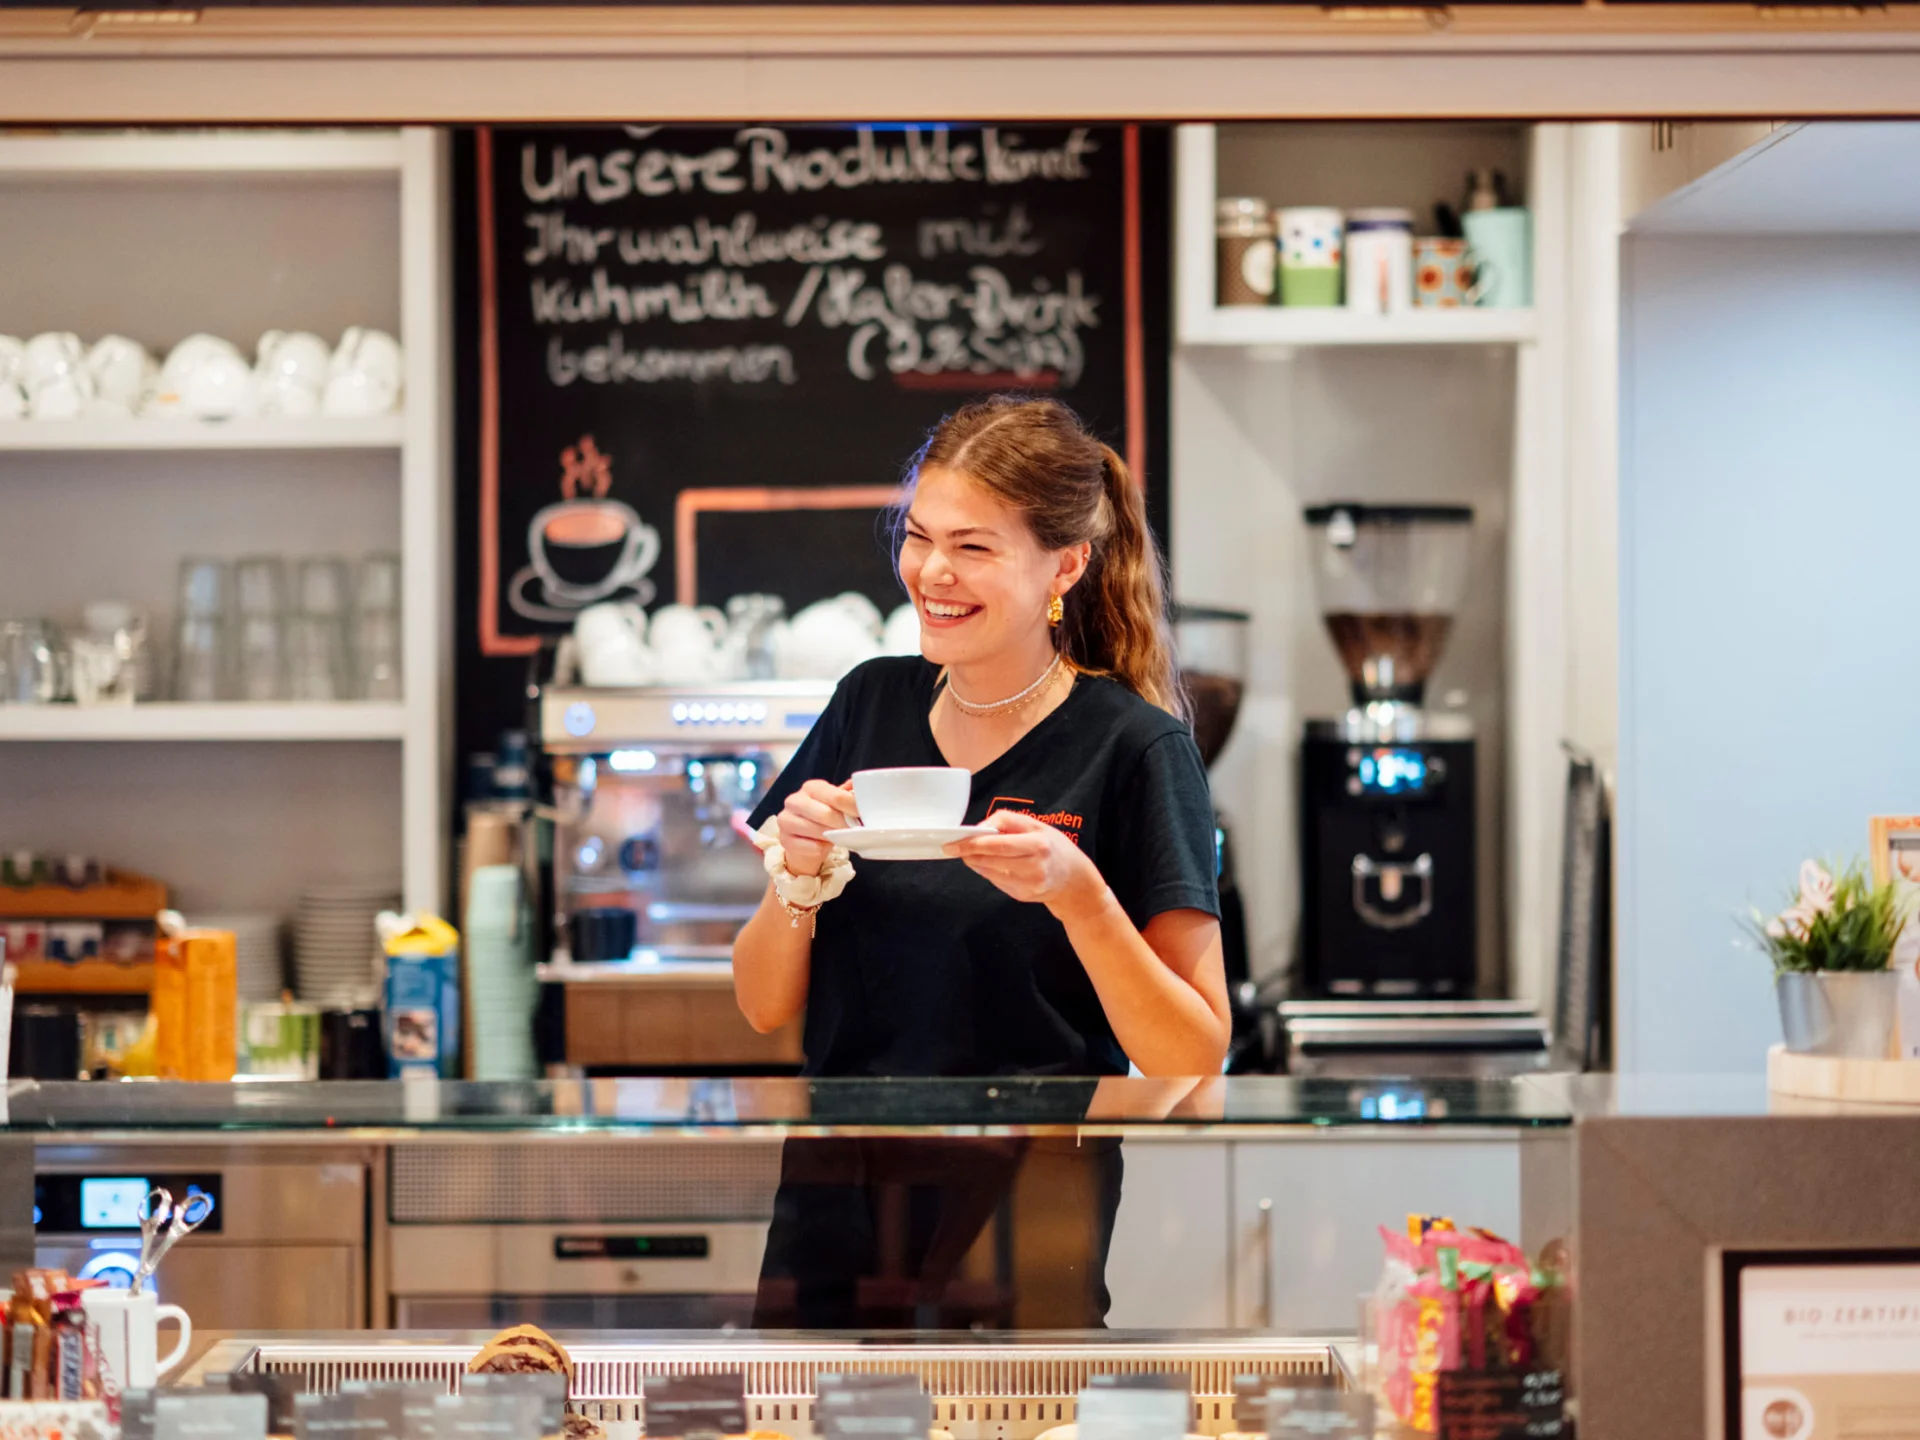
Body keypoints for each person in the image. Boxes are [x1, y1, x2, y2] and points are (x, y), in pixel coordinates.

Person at [732, 395, 1229, 1327]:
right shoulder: (866, 703)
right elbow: (763, 1002)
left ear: (1067, 564)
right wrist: (795, 879)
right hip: (832, 1214)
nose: (932, 573)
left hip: (1027, 1218)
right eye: (919, 538)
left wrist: (1080, 897)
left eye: (974, 546)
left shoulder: (1133, 749)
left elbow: (1194, 1058)